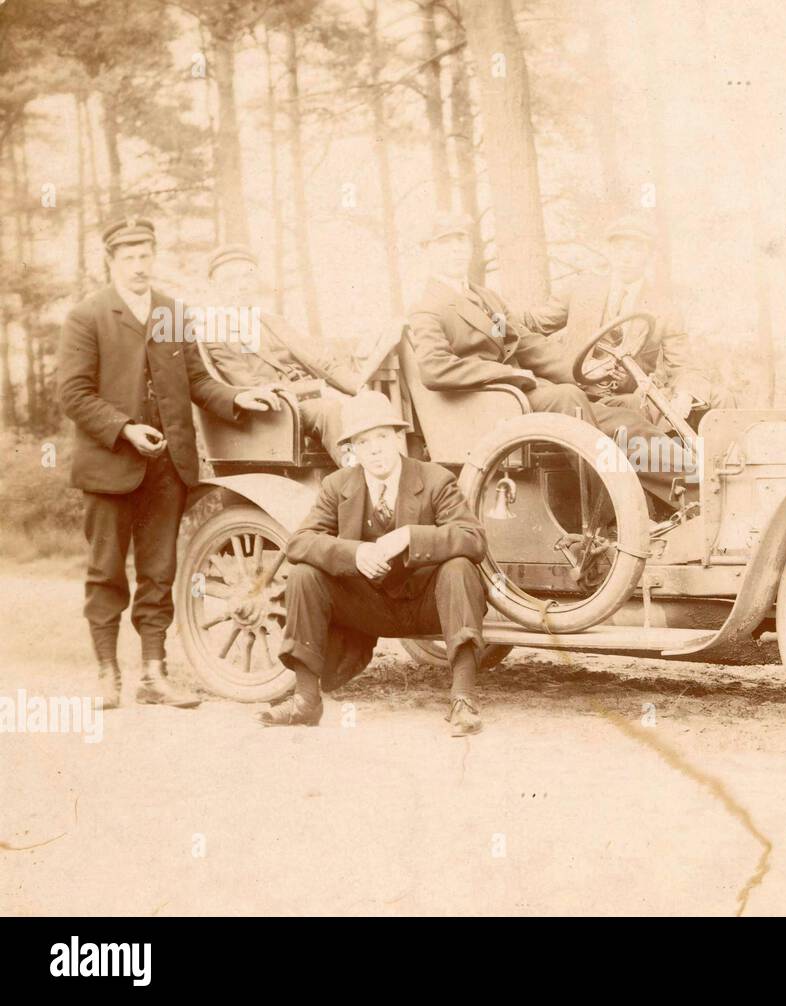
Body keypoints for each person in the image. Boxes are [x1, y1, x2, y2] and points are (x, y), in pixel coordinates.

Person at [57, 218, 282, 708]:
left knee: (159, 573)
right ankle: (106, 675)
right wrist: (124, 429)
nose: (140, 265)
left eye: (146, 255)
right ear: (112, 262)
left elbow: (198, 382)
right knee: (106, 572)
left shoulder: (173, 313)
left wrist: (241, 396)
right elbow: (72, 394)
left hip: (167, 469)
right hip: (109, 466)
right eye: (130, 257)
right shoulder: (87, 316)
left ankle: (154, 676)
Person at [405, 212, 693, 505]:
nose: (456, 249)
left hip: (526, 393)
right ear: (427, 250)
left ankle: (697, 489)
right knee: (568, 398)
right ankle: (612, 516)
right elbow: (434, 368)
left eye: (461, 241)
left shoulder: (487, 299)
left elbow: (524, 342)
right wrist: (508, 376)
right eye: (445, 243)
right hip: (494, 403)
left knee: (623, 416)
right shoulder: (428, 308)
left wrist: (583, 370)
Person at [260, 390, 489, 736]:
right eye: (364, 442)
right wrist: (354, 554)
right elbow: (299, 542)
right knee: (304, 574)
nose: (376, 449)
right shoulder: (337, 485)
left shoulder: (435, 479)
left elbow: (473, 539)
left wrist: (412, 536)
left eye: (382, 437)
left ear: (397, 437)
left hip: (428, 603)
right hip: (368, 608)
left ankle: (462, 700)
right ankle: (306, 701)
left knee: (459, 567)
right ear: (352, 449)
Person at [524, 212, 733, 424]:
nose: (626, 257)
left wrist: (686, 395)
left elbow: (683, 365)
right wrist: (495, 313)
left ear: (649, 255)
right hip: (577, 395)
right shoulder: (581, 288)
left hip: (630, 399)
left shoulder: (663, 307)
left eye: (636, 249)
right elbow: (534, 323)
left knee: (719, 399)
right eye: (619, 248)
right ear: (609, 251)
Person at [203, 244, 397, 466]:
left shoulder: (274, 321)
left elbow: (320, 360)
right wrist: (319, 390)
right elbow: (252, 386)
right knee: (330, 410)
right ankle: (358, 478)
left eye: (247, 277)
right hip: (281, 410)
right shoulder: (215, 333)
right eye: (230, 280)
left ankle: (392, 479)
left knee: (375, 400)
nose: (242, 286)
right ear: (214, 285)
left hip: (314, 399)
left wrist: (358, 387)